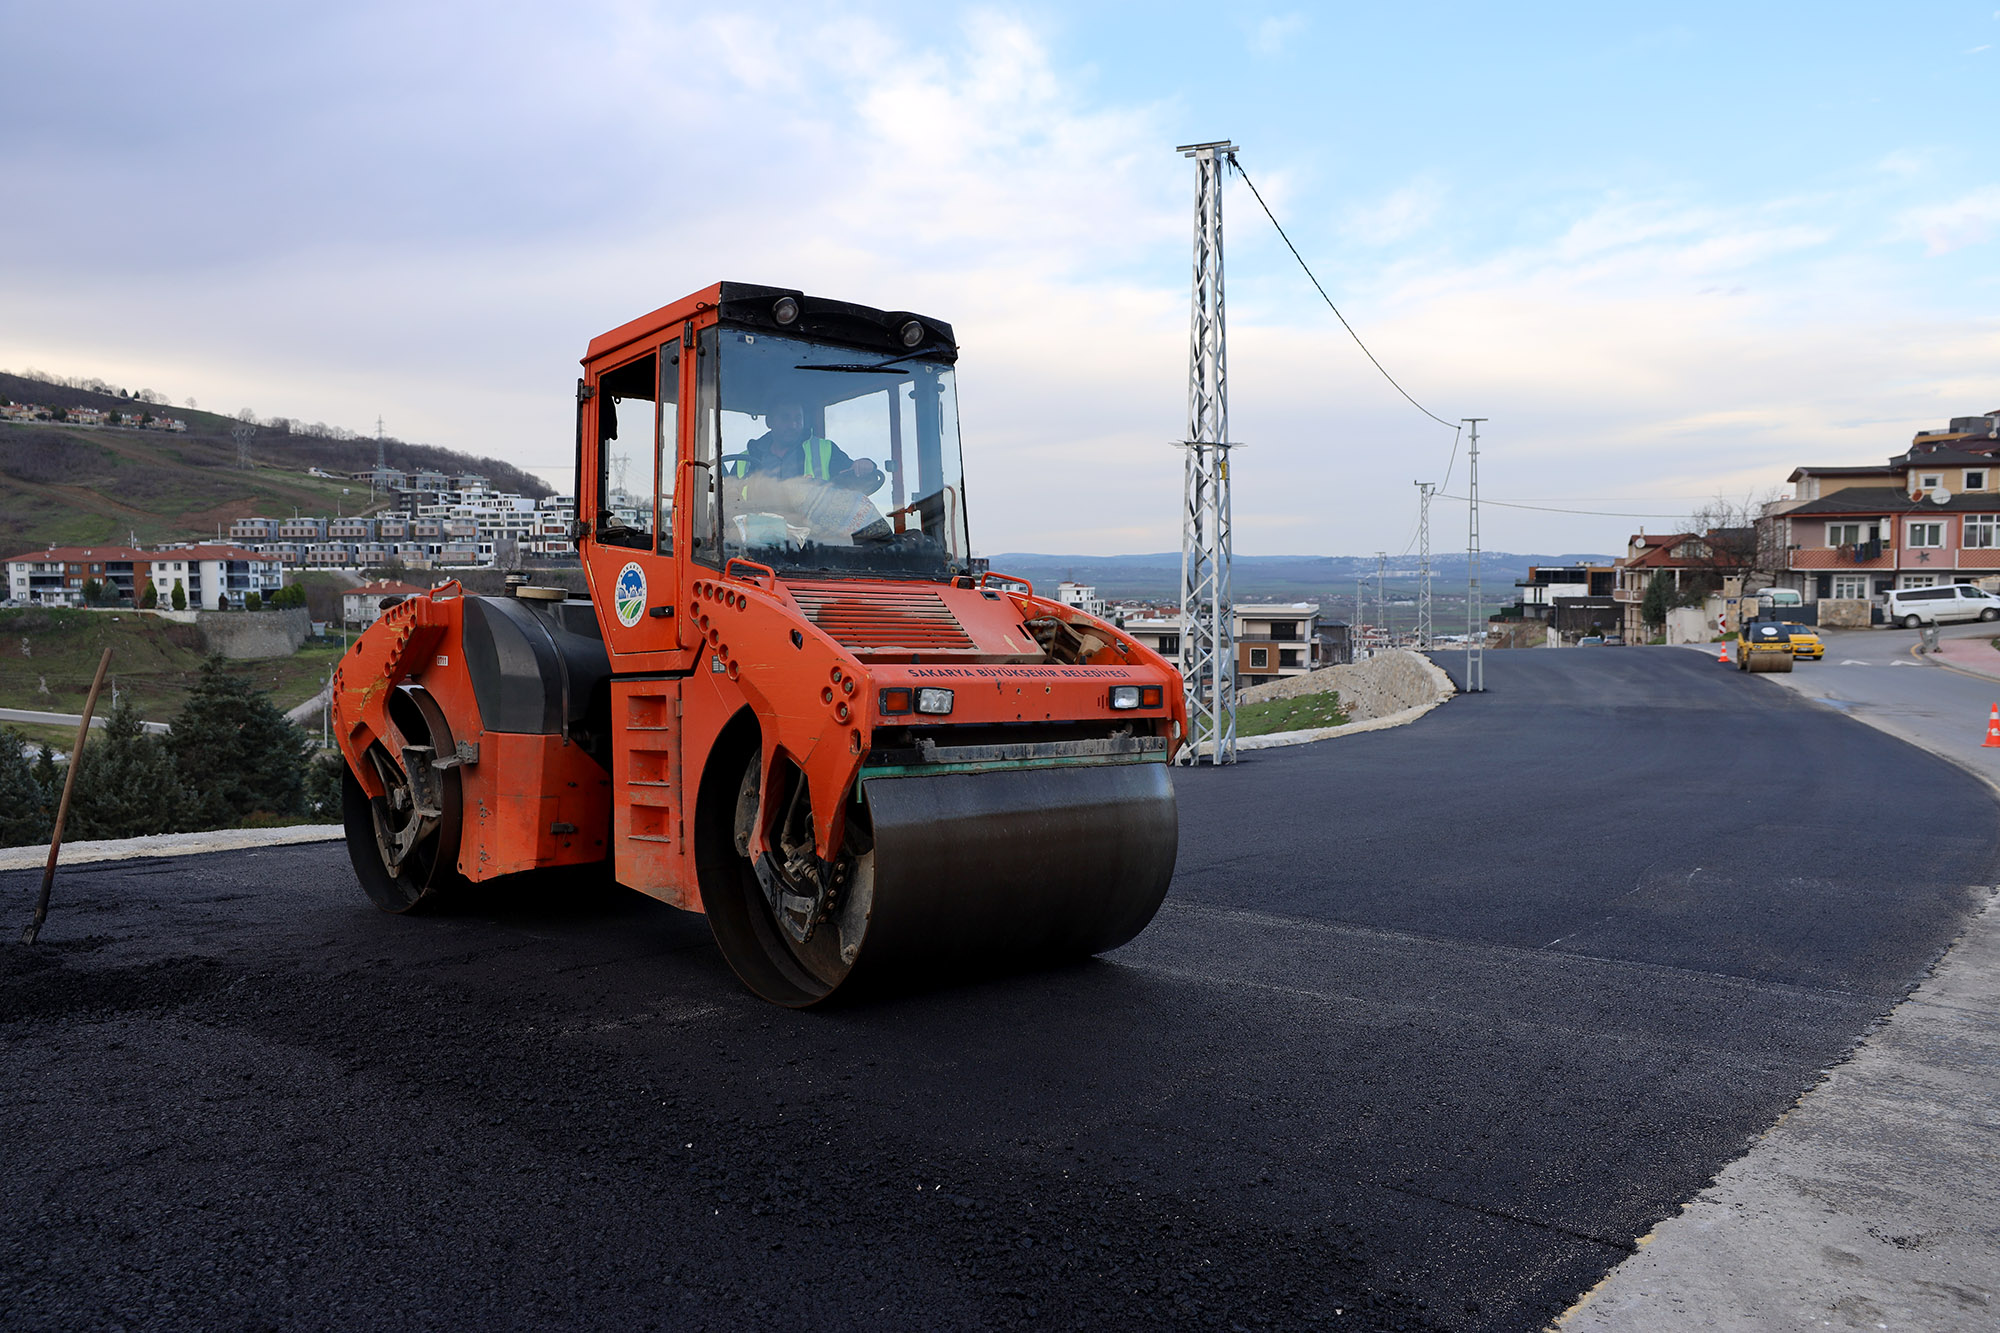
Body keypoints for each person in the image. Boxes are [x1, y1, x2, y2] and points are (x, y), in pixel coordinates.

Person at [738, 403, 883, 494]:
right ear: (769, 421)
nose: (793, 425)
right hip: (754, 540)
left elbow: (856, 479)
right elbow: (727, 501)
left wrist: (865, 465)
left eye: (798, 419)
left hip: (816, 539)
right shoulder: (744, 460)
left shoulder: (825, 450)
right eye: (785, 418)